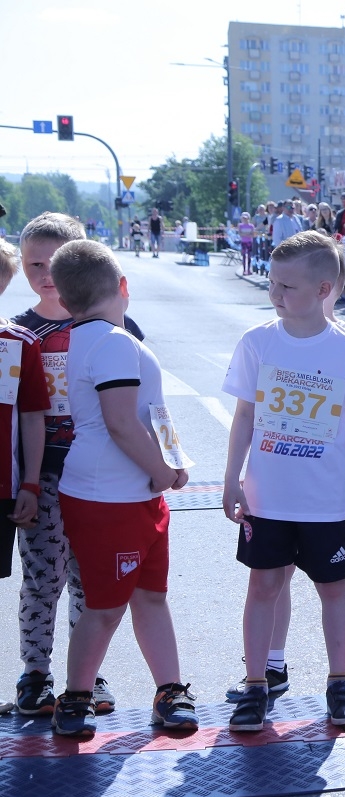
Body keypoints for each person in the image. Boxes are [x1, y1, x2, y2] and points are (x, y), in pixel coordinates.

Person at [225, 252, 345, 702]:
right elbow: (244, 415)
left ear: (324, 289)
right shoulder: (257, 342)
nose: (274, 293)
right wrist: (231, 478)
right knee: (267, 584)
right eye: (272, 283)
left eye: (286, 286)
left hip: (331, 496)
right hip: (269, 498)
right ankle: (264, 675)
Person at [45, 240, 196, 737]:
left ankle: (169, 690)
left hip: (129, 494)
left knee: (151, 596)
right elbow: (121, 423)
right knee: (106, 607)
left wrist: (172, 461)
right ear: (123, 286)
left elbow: (150, 412)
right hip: (110, 497)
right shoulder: (113, 342)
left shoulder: (94, 338)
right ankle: (76, 697)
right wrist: (161, 470)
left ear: (64, 300)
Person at [13, 213, 145, 718]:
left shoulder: (116, 327)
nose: (47, 274)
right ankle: (35, 673)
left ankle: (84, 675)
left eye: (56, 263)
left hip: (98, 478)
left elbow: (140, 405)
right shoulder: (18, 333)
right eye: (35, 264)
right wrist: (22, 482)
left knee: (91, 580)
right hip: (43, 475)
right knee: (43, 576)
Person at [0, 239, 51, 716]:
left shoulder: (18, 343)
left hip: (7, 487)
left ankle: (80, 677)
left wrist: (30, 484)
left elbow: (33, 416)